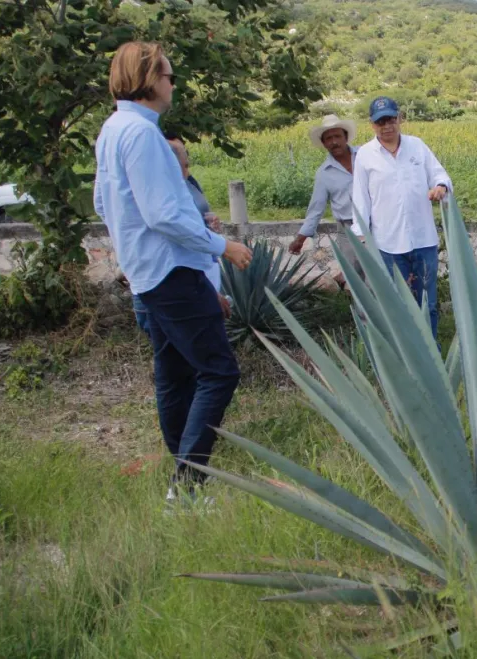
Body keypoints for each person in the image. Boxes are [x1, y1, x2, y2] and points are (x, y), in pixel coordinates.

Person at [93, 42, 252, 504]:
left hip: (146, 272)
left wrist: (131, 246)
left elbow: (105, 204)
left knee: (173, 373)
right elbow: (163, 215)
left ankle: (180, 467)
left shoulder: (112, 129)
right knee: (219, 372)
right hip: (172, 270)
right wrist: (222, 246)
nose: (172, 84)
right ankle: (186, 487)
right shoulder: (143, 135)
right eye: (169, 75)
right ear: (148, 78)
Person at [351, 96, 452, 338]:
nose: (387, 126)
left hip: (423, 240)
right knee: (397, 305)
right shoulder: (365, 155)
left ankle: (432, 356)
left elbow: (440, 175)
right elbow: (360, 199)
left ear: (400, 118)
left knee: (427, 303)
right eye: (380, 121)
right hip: (388, 244)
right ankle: (405, 360)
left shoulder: (417, 146)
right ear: (371, 124)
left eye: (391, 119)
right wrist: (362, 236)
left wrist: (440, 187)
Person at [132, 137, 229, 334]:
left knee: (174, 358)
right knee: (209, 358)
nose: (187, 172)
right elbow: (178, 238)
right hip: (172, 283)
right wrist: (225, 248)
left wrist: (207, 223)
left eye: (187, 165)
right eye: (182, 166)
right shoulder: (156, 199)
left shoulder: (188, 183)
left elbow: (194, 221)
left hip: (195, 274)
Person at [288, 114, 363, 284]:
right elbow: (316, 208)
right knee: (355, 279)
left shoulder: (365, 156)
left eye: (337, 136)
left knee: (382, 275)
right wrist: (300, 239)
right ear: (324, 143)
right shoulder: (324, 173)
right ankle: (360, 311)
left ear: (346, 137)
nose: (334, 142)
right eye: (328, 138)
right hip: (348, 229)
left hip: (375, 225)